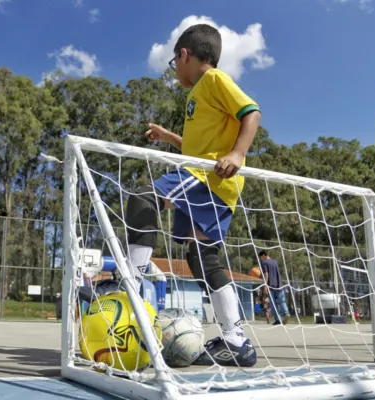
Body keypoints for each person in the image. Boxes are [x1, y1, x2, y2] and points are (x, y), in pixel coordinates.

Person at [124, 24, 261, 367]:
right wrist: (169, 137)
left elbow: (251, 112)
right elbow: (196, 148)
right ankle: (236, 340)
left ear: (183, 55)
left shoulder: (213, 81)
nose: (175, 71)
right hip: (206, 175)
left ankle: (129, 290)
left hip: (209, 179)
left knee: (143, 198)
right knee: (202, 259)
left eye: (174, 63)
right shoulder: (196, 96)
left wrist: (238, 155)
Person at [259, 250, 289, 325]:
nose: (261, 260)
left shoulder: (264, 262)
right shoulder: (275, 262)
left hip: (271, 285)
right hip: (279, 284)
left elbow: (266, 274)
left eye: (261, 258)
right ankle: (286, 313)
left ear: (263, 256)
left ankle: (278, 319)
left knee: (273, 304)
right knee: (282, 301)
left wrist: (265, 286)